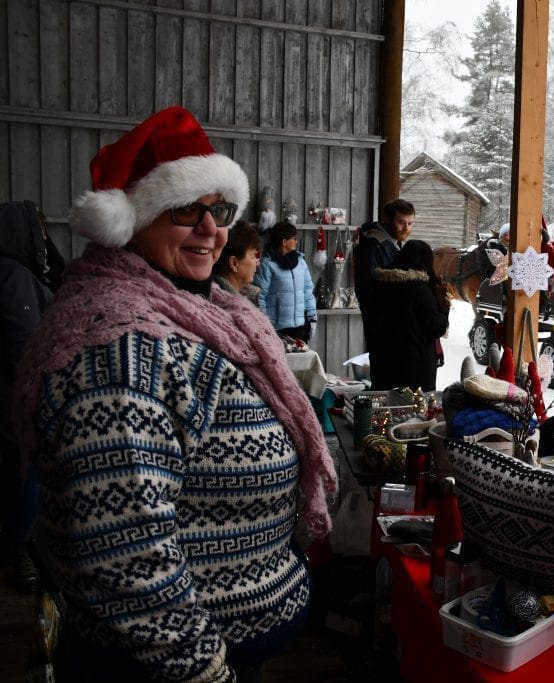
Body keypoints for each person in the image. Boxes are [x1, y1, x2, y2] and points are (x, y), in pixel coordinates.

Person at [13, 106, 337, 681]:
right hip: (161, 668)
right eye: (186, 210)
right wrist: (204, 670)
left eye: (219, 211)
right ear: (130, 220)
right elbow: (125, 551)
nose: (211, 230)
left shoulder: (202, 314)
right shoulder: (118, 352)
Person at [0, 200, 64, 594]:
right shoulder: (14, 277)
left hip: (10, 404)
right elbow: (26, 347)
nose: (44, 240)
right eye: (40, 233)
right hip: (14, 407)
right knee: (24, 478)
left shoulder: (16, 273)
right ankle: (23, 549)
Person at [368, 239, 450, 391]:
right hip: (415, 370)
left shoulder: (380, 285)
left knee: (386, 410)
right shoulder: (420, 290)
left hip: (383, 363)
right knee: (412, 413)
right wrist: (444, 309)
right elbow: (436, 327)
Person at [254, 220, 318, 342]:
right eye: (294, 238)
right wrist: (265, 324)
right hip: (277, 330)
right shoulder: (267, 264)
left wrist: (312, 316)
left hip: (300, 327)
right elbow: (259, 296)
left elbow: (308, 291)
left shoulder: (300, 262)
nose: (296, 241)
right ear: (284, 242)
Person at [353, 197, 415, 321]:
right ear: (388, 220)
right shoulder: (373, 246)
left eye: (410, 223)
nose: (406, 229)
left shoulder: (394, 243)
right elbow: (368, 290)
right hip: (383, 321)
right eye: (401, 223)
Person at [212, 219, 262, 305]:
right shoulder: (223, 305)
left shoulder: (248, 297)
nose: (257, 263)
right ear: (234, 263)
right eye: (253, 256)